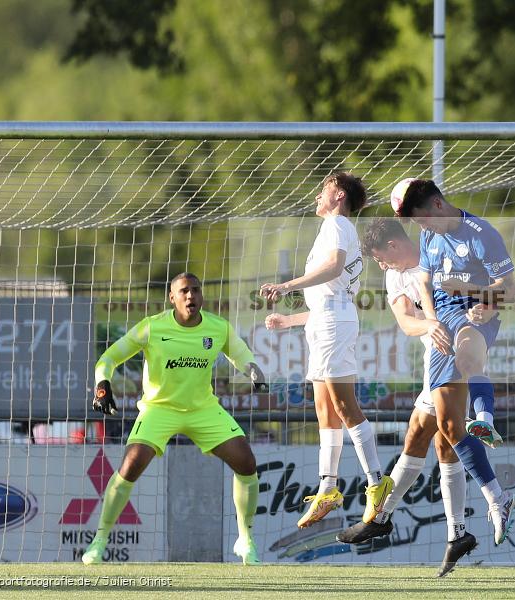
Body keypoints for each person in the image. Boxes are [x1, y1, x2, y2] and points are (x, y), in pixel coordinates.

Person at [83, 273, 267, 565]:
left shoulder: (218, 327)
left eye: (196, 289)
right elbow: (108, 358)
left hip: (202, 409)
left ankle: (245, 540)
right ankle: (100, 540)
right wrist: (102, 386)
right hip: (159, 409)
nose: (190, 295)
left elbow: (240, 353)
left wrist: (253, 369)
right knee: (131, 464)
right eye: (183, 291)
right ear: (172, 298)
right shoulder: (152, 327)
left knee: (246, 461)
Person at [336, 218, 476, 577]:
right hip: (436, 359)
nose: (382, 266)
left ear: (394, 245)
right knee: (436, 440)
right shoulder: (395, 277)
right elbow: (405, 322)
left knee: (430, 435)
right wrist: (429, 324)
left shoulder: (439, 258)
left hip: (459, 357)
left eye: (382, 258)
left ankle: (382, 518)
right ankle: (455, 533)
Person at [262, 171, 393, 529]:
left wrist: (286, 286)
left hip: (334, 324)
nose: (317, 195)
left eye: (324, 189)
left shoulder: (337, 224)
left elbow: (334, 269)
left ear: (339, 196)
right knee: (325, 410)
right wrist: (289, 321)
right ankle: (328, 488)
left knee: (343, 405)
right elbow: (329, 297)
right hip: (326, 322)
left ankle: (377, 481)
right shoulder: (335, 229)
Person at [392, 178, 515, 545]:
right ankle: (499, 499)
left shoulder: (481, 233)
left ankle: (485, 421)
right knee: (448, 424)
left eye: (422, 219)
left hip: (477, 315)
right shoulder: (428, 236)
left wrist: (483, 300)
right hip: (442, 324)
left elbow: (509, 289)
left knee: (468, 353)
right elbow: (425, 285)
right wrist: (432, 322)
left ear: (437, 204)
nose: (422, 227)